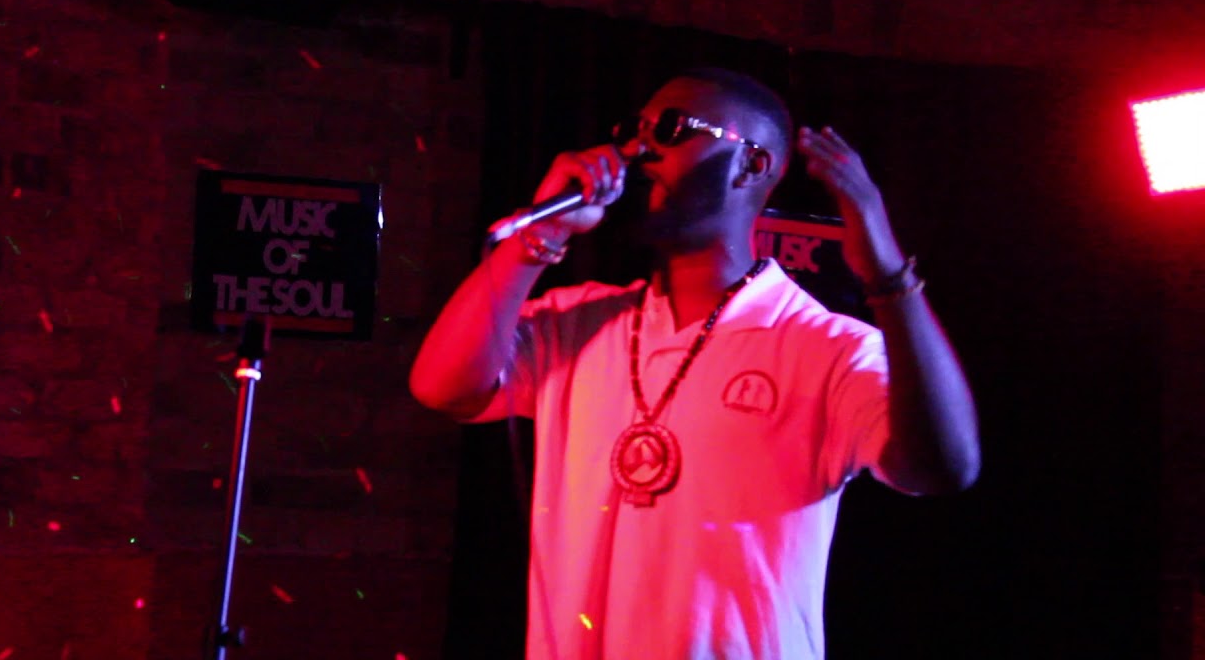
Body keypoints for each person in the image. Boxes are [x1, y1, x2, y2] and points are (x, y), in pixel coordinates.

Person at [410, 67, 980, 660]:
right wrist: (540, 235)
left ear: (750, 165)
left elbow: (941, 467)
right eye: (635, 130)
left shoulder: (826, 346)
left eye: (672, 128)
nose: (640, 150)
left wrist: (888, 278)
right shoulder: (578, 321)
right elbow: (442, 387)